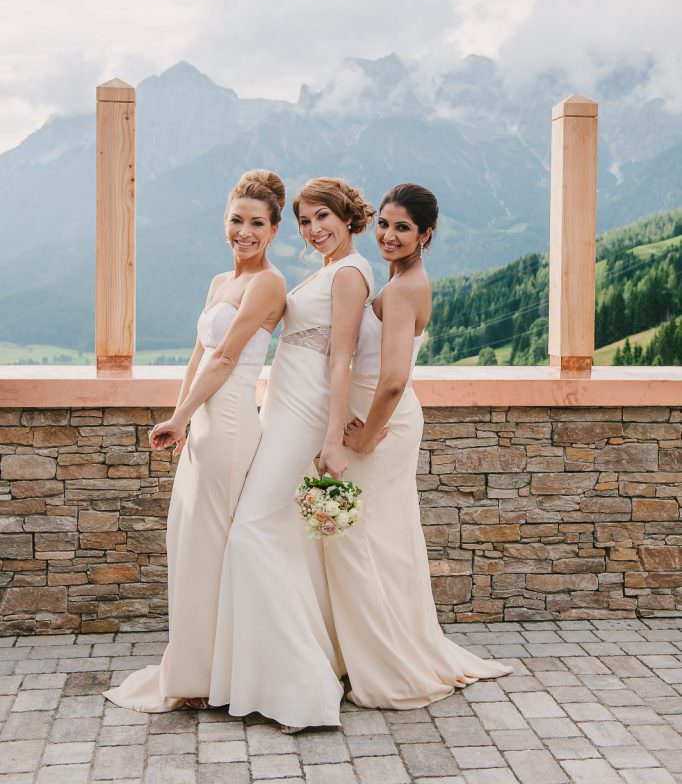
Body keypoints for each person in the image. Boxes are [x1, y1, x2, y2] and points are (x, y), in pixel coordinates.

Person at [104, 170, 287, 712]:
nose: (244, 231)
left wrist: (183, 418)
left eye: (257, 223)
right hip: (203, 424)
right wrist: (180, 414)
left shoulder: (269, 284)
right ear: (224, 222)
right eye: (236, 220)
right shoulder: (217, 282)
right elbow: (197, 357)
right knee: (189, 541)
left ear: (274, 230)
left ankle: (222, 673)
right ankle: (193, 667)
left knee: (214, 545)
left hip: (229, 423)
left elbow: (229, 358)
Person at [325, 183, 512, 708]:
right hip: (380, 420)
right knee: (377, 538)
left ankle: (384, 660)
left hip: (384, 425)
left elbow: (392, 379)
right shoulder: (398, 278)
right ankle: (365, 649)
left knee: (361, 539)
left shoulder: (406, 288)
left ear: (425, 235)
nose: (388, 234)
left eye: (402, 227)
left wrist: (365, 433)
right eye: (384, 223)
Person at [209, 177, 375, 730]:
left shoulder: (350, 274)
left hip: (305, 414)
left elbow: (340, 359)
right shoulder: (326, 272)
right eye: (305, 221)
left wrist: (330, 439)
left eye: (323, 216)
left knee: (251, 532)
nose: (314, 229)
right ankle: (264, 678)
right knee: (275, 536)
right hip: (280, 407)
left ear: (348, 217)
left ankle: (300, 689)